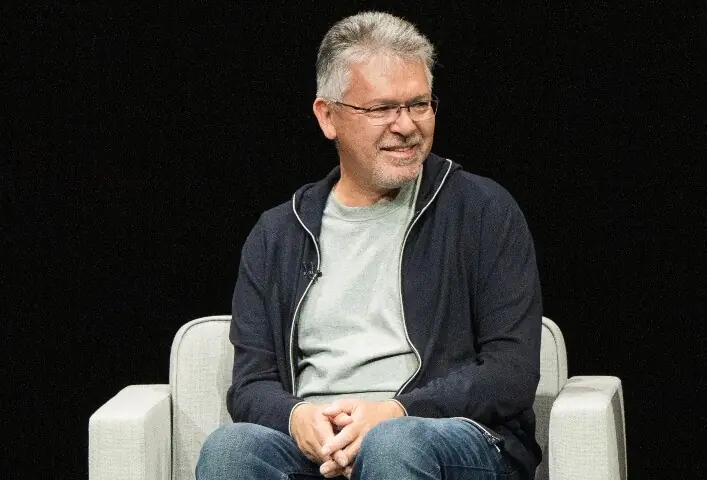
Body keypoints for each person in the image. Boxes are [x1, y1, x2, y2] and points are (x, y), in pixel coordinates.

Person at [196, 10, 542, 480]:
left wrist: (396, 413)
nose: (406, 126)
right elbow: (252, 383)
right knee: (231, 450)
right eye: (382, 109)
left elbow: (512, 372)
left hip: (448, 436)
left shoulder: (481, 210)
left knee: (394, 445)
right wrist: (299, 419)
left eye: (419, 104)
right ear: (328, 117)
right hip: (322, 450)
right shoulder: (278, 233)